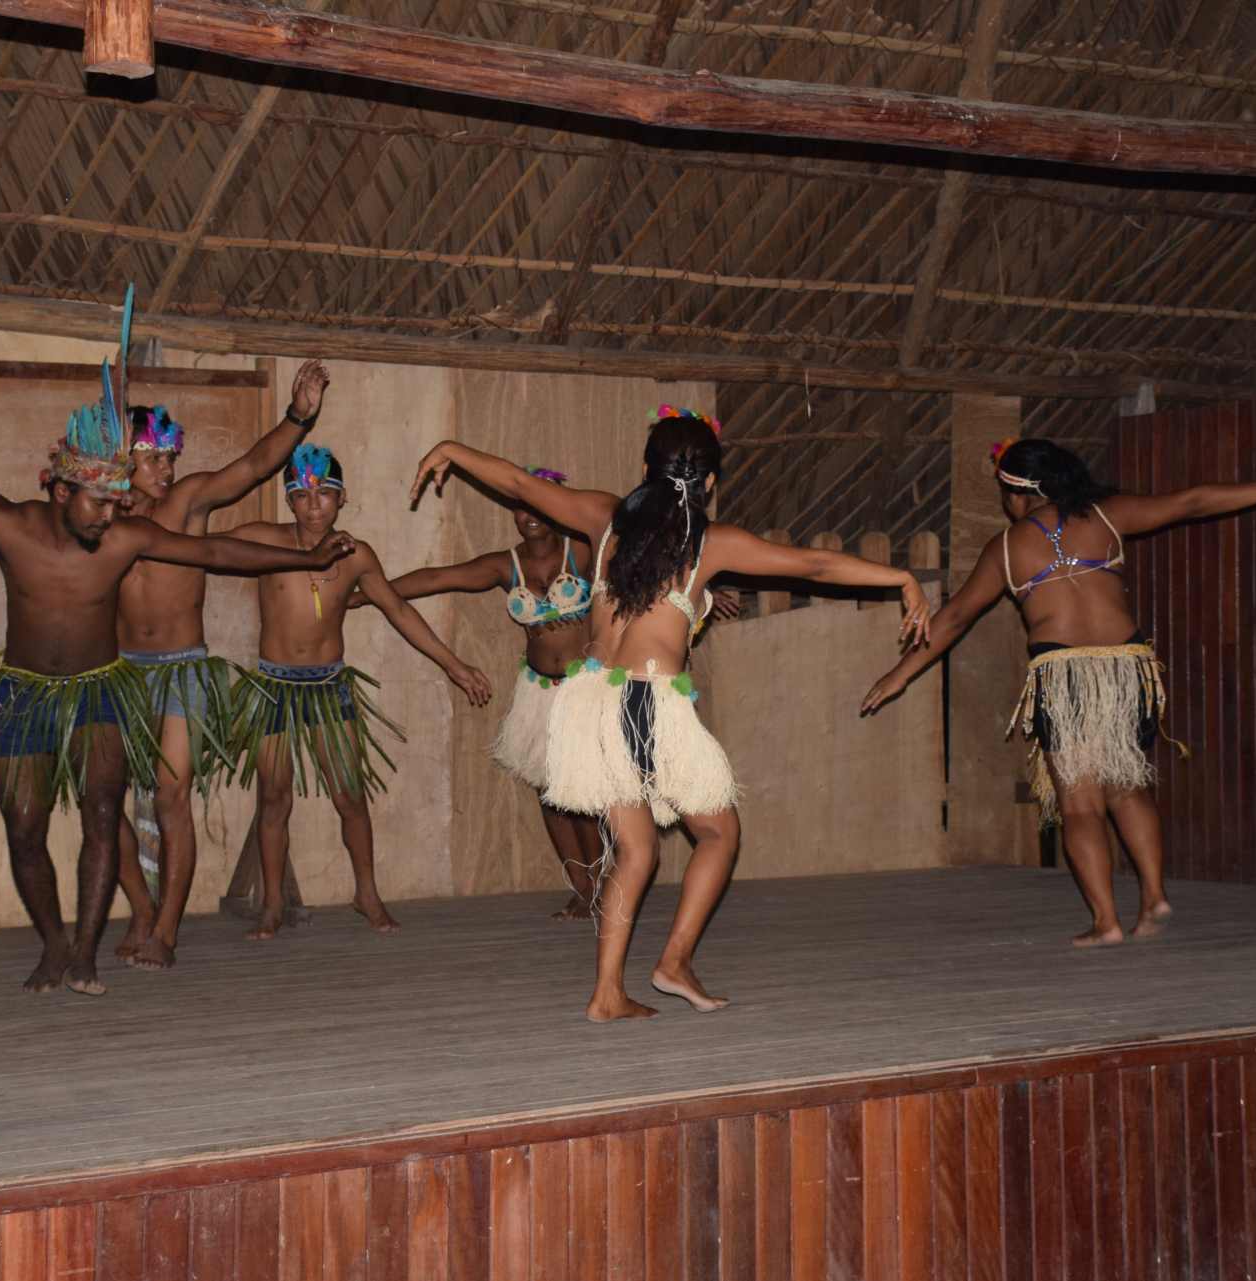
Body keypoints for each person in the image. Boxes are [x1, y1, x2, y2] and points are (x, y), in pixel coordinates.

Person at [0, 380, 351, 998]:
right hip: (23, 691)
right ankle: (55, 943)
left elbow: (214, 547)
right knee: (24, 826)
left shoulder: (129, 534)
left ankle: (87, 953)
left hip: (102, 688)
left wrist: (305, 559)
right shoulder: (8, 524)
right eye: (99, 503)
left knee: (107, 812)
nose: (110, 516)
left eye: (114, 502)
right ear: (59, 490)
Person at [410, 408, 929, 1021]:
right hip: (644, 704)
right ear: (709, 483)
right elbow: (813, 565)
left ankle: (607, 994)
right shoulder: (708, 542)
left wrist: (453, 446)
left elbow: (525, 487)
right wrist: (901, 577)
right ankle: (673, 961)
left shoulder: (605, 519)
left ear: (645, 471)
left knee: (637, 852)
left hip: (588, 701)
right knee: (718, 832)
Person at [861, 437, 1256, 947]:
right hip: (1125, 668)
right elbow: (1192, 501)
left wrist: (901, 673)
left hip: (1065, 677)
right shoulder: (1106, 516)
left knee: (1081, 805)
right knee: (1127, 785)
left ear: (1019, 492)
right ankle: (1154, 897)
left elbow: (954, 618)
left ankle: (1106, 922)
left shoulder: (1007, 546)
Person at [110, 360, 331, 972]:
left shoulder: (184, 504)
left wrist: (299, 415)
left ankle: (167, 929)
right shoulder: (100, 518)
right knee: (105, 804)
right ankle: (139, 911)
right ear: (120, 457)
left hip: (183, 669)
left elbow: (250, 468)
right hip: (122, 674)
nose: (166, 469)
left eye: (169, 457)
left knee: (173, 796)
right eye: (153, 458)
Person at [225, 443, 494, 938]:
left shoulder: (356, 555)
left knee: (350, 796)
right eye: (302, 496)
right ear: (288, 500)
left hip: (329, 688)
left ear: (342, 497)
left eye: (324, 494)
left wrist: (453, 664)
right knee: (274, 799)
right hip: (273, 689)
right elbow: (202, 548)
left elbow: (399, 611)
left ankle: (366, 893)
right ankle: (271, 904)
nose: (313, 505)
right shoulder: (262, 542)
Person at [350, 467, 605, 919]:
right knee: (549, 794)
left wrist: (704, 593)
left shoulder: (583, 550)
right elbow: (436, 578)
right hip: (540, 690)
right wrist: (369, 593)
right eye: (520, 505)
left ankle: (606, 886)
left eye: (538, 504)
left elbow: (645, 569)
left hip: (586, 688)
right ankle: (582, 888)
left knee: (584, 793)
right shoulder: (504, 564)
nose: (528, 514)